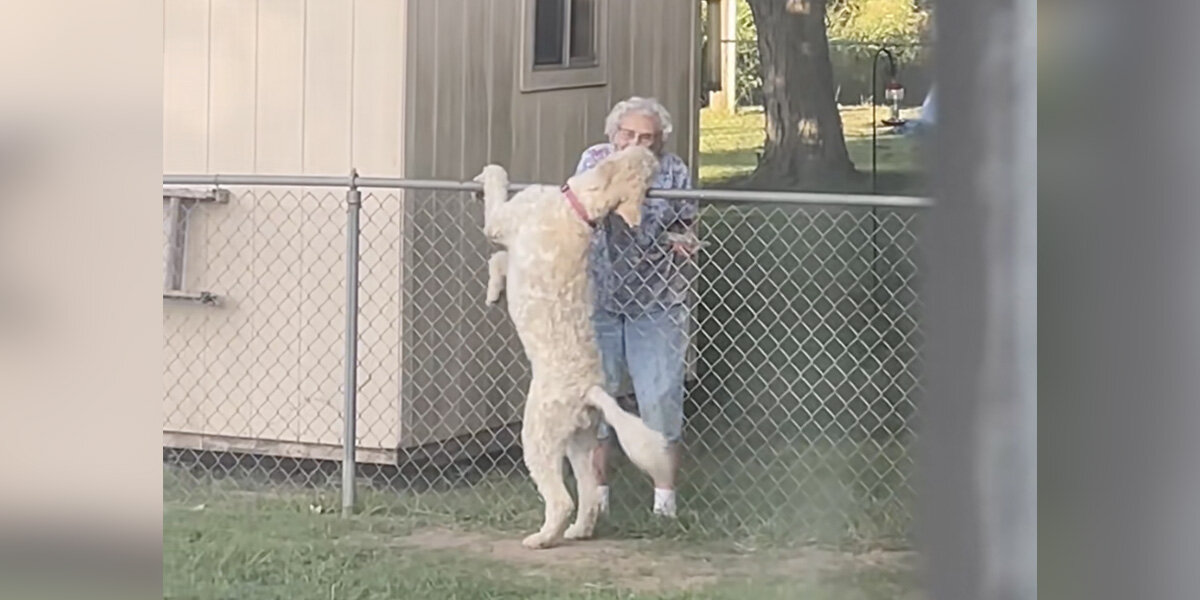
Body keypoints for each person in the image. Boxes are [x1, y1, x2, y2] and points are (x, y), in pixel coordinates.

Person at [572, 96, 698, 518]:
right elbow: (580, 210)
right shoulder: (595, 159)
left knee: (660, 396)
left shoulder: (674, 170)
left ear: (660, 141)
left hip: (657, 300)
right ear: (614, 135)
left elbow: (684, 221)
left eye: (647, 138)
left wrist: (683, 240)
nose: (637, 144)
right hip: (600, 297)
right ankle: (597, 500)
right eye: (629, 135)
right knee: (597, 397)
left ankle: (665, 504)